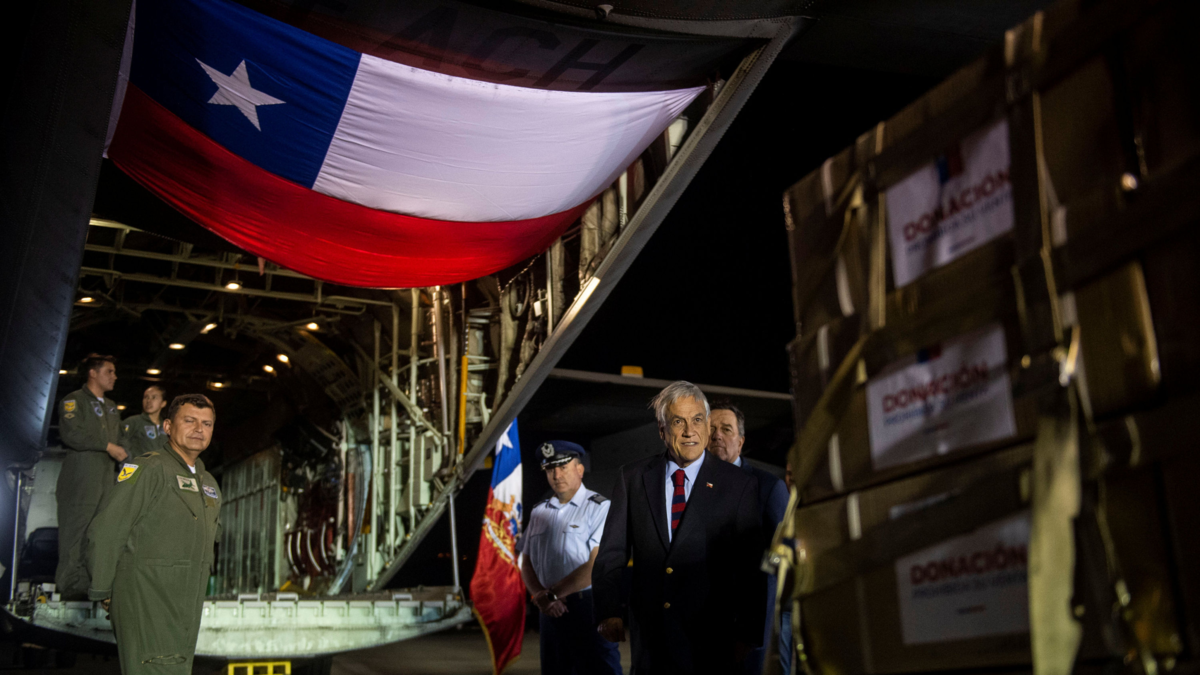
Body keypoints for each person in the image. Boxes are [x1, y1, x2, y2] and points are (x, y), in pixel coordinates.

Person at [593, 381, 764, 674]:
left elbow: (751, 565)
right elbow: (612, 552)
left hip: (713, 641)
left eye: (697, 420)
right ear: (662, 430)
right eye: (678, 422)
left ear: (707, 425)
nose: (689, 431)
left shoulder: (739, 484)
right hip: (651, 641)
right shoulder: (632, 478)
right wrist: (608, 610)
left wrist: (748, 632)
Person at [87, 394, 222, 674]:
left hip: (186, 601)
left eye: (207, 424)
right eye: (190, 421)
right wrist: (104, 589)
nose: (199, 429)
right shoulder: (149, 468)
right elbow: (108, 527)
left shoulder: (207, 483)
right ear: (168, 427)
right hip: (146, 596)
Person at [519, 441, 623, 675]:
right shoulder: (539, 511)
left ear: (580, 469)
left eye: (563, 467)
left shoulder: (600, 508)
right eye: (550, 469)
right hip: (549, 611)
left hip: (588, 608)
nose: (557, 475)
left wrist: (552, 595)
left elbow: (596, 565)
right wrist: (540, 595)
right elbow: (525, 562)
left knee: (600, 670)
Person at [710, 402, 790, 675]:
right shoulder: (690, 486)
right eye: (711, 429)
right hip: (703, 625)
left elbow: (780, 556)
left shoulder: (768, 487)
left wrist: (752, 627)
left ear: (741, 441)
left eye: (726, 429)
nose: (717, 435)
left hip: (751, 628)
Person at [55, 353, 126, 599]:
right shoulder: (74, 401)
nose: (114, 376)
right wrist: (107, 446)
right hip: (81, 479)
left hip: (106, 480)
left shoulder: (111, 407)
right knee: (75, 533)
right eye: (109, 371)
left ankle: (87, 588)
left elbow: (121, 440)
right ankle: (69, 588)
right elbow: (72, 434)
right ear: (93, 373)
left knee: (97, 535)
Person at [120, 385, 167, 458]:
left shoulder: (166, 426)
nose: (148, 401)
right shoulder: (133, 421)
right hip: (138, 465)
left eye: (154, 397)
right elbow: (120, 442)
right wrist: (128, 460)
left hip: (159, 465)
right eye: (146, 397)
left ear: (163, 403)